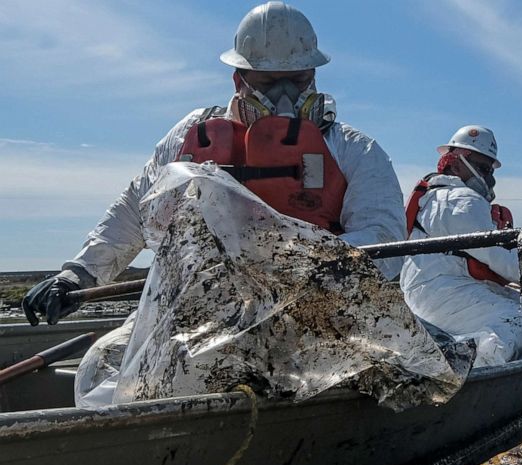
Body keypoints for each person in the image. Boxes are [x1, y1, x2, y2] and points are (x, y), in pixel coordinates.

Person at [22, 1, 406, 328]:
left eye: (298, 80)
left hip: (313, 311)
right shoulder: (190, 137)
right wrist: (81, 273)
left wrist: (293, 267)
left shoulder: (353, 150)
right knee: (105, 371)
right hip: (195, 310)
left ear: (313, 77)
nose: (286, 96)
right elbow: (133, 211)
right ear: (240, 79)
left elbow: (382, 239)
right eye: (270, 81)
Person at [400, 125, 522, 367]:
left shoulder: (434, 196)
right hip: (443, 294)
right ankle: (476, 366)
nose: (488, 178)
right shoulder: (462, 201)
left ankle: (488, 350)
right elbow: (503, 261)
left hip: (432, 289)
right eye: (482, 168)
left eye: (490, 171)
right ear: (455, 163)